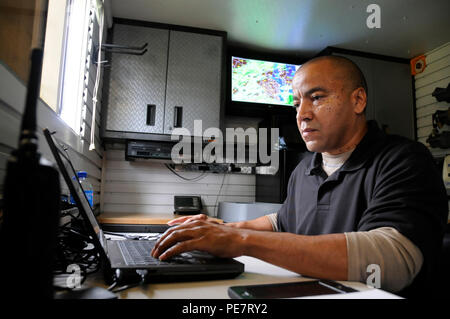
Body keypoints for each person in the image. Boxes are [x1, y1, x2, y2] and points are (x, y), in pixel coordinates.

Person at [151, 55, 448, 297]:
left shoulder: (404, 160)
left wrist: (239, 239)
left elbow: (392, 260)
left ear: (358, 101)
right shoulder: (304, 168)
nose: (301, 114)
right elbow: (284, 221)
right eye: (296, 103)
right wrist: (220, 229)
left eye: (316, 97)